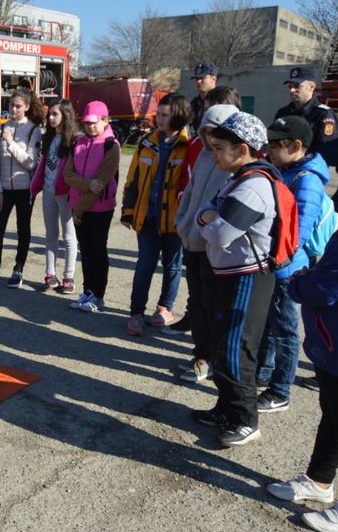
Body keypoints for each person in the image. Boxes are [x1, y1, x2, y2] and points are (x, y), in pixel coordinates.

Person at [192, 111, 277, 447]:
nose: (212, 153)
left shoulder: (253, 186)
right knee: (222, 344)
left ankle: (244, 419)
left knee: (235, 349)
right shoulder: (236, 179)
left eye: (218, 147)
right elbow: (206, 214)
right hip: (229, 274)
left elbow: (220, 233)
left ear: (242, 149)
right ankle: (226, 409)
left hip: (248, 278)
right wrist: (208, 218)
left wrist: (208, 219)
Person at [267, 228, 338, 531]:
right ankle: (319, 480)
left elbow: (326, 287)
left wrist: (298, 283)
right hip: (333, 344)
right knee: (334, 415)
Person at [255, 116, 329, 412]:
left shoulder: (306, 180)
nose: (269, 150)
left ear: (296, 146)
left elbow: (298, 232)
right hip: (275, 261)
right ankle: (263, 370)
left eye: (275, 145)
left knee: (285, 330)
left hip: (287, 268)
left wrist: (275, 261)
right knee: (269, 323)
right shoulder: (287, 169)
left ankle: (280, 390)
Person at [174, 101, 239, 383]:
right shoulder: (202, 155)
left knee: (214, 307)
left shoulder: (234, 164)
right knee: (197, 303)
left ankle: (213, 359)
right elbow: (188, 193)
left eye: (217, 132)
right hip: (191, 241)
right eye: (207, 131)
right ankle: (201, 355)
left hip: (213, 246)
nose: (211, 138)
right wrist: (182, 221)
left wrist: (207, 231)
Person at [121, 93, 190, 335]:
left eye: (164, 114)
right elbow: (133, 178)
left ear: (178, 116)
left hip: (175, 221)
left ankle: (164, 308)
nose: (157, 118)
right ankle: (136, 314)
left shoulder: (189, 144)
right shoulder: (146, 142)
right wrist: (128, 211)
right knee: (145, 264)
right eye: (157, 114)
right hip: (148, 217)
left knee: (172, 266)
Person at [0, 88, 43, 292]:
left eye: (17, 106)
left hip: (24, 189)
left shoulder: (33, 130)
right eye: (10, 105)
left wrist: (12, 143)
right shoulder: (0, 129)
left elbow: (31, 163)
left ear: (27, 107)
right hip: (4, 190)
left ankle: (18, 269)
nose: (13, 109)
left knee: (23, 229)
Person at [63, 100, 120, 312]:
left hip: (99, 209)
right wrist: (86, 184)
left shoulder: (111, 146)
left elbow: (101, 183)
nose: (90, 126)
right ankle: (88, 291)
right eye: (86, 122)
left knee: (97, 251)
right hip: (78, 208)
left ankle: (98, 295)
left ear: (106, 121)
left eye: (95, 122)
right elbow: (68, 175)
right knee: (86, 251)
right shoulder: (77, 144)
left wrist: (79, 210)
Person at [30, 99, 80, 293]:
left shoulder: (74, 140)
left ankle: (69, 276)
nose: (50, 118)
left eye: (55, 114)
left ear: (66, 115)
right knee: (51, 234)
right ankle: (50, 274)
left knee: (69, 236)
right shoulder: (49, 138)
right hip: (49, 192)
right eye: (49, 114)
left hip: (66, 194)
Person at [275, 67, 338, 154]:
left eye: (297, 86)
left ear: (311, 87)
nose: (292, 90)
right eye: (290, 87)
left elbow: (325, 151)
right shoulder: (283, 113)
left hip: (308, 166)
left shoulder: (323, 114)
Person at [190, 62, 218, 130]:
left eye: (202, 78)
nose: (198, 81)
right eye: (197, 78)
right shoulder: (193, 105)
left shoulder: (222, 102)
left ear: (213, 79)